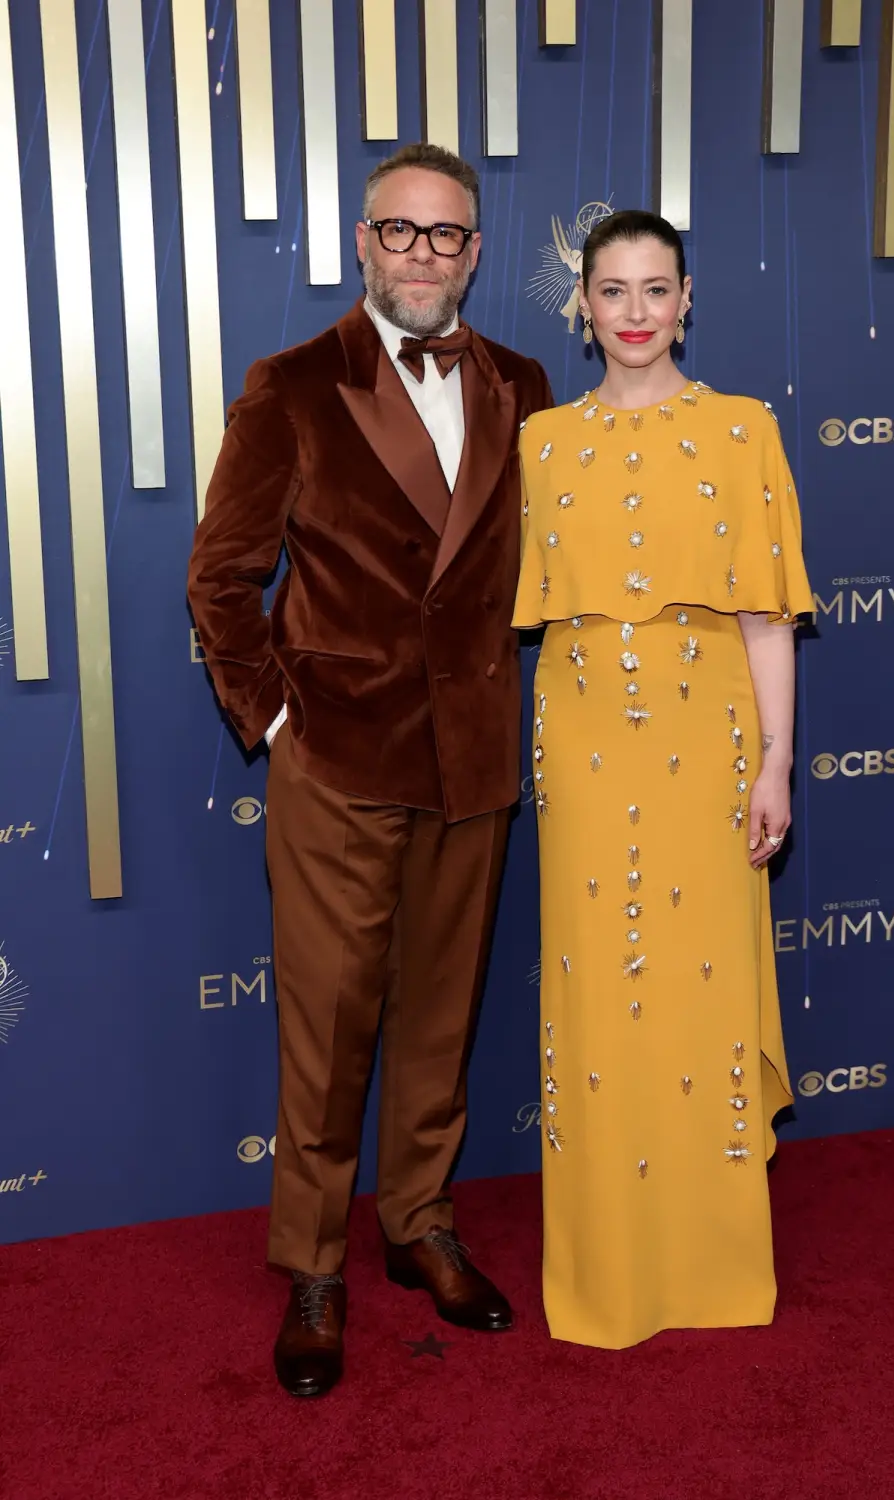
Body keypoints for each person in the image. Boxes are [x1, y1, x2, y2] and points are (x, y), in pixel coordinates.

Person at [188, 143, 553, 1397]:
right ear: (362, 242)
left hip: (474, 762)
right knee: (329, 1027)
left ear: (474, 253)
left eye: (446, 236)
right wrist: (280, 725)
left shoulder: (521, 381)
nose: (422, 257)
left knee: (441, 1015)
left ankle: (420, 1223)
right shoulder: (291, 385)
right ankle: (314, 1267)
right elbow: (219, 581)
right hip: (339, 757)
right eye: (399, 233)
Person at [513, 209, 813, 1350]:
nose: (635, 314)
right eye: (612, 291)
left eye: (655, 290)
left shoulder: (743, 434)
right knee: (594, 998)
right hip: (583, 728)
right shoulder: (540, 442)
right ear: (580, 306)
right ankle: (604, 1271)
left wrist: (776, 759)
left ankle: (712, 1266)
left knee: (699, 988)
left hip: (710, 730)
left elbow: (766, 618)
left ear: (688, 300)